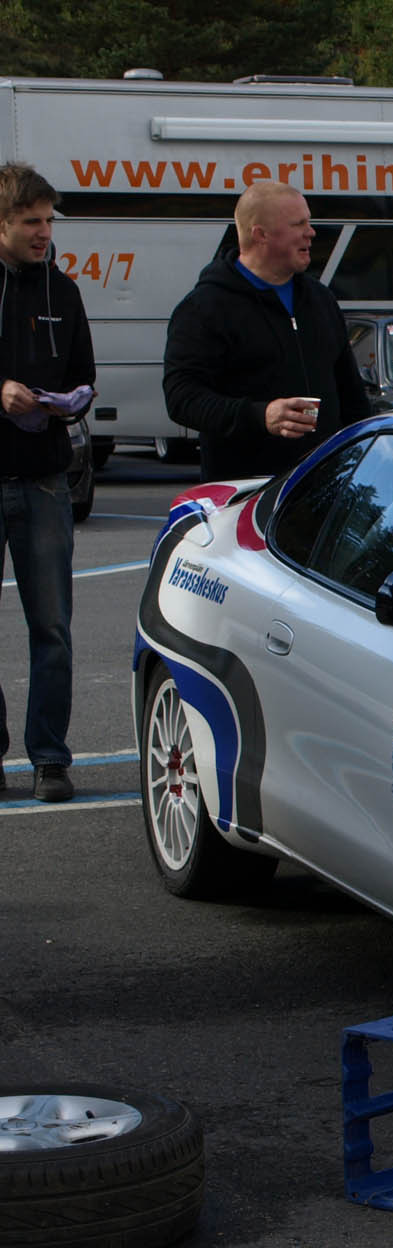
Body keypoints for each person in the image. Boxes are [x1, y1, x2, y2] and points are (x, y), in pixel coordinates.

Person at [162, 182, 368, 482]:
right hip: (246, 494)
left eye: (308, 222)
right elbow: (182, 398)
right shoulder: (205, 308)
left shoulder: (320, 299)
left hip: (326, 489)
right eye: (298, 224)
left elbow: (352, 397)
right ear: (261, 235)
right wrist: (260, 415)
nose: (311, 232)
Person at [0, 162, 94, 803]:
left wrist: (72, 401)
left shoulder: (63, 292)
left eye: (48, 221)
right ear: (2, 223)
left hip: (44, 480)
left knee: (52, 626)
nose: (43, 233)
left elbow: (86, 374)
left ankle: (50, 759)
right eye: (31, 221)